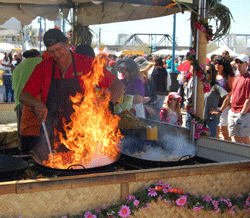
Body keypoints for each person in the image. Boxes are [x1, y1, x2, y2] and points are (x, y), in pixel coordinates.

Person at [19, 28, 125, 154]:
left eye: (59, 49)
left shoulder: (87, 63)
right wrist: (36, 103)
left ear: (67, 43)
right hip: (52, 134)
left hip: (83, 133)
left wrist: (109, 104)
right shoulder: (43, 68)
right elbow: (23, 95)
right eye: (52, 51)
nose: (56, 54)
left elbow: (118, 85)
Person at [11, 49, 42, 150]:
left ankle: (23, 152)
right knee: (40, 132)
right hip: (37, 101)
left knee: (23, 132)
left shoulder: (17, 68)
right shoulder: (41, 62)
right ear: (38, 55)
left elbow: (14, 87)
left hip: (19, 102)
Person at [228, 54, 250, 145]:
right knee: (234, 137)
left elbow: (248, 99)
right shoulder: (236, 78)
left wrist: (242, 113)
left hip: (242, 113)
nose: (238, 64)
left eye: (241, 62)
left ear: (247, 64)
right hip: (233, 111)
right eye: (237, 62)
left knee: (244, 138)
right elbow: (233, 94)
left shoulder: (248, 79)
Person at [204, 63, 230, 137]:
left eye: (208, 72)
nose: (206, 74)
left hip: (211, 119)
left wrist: (220, 111)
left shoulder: (215, 85)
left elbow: (227, 97)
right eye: (204, 72)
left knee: (210, 142)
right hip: (200, 119)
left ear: (212, 73)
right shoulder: (201, 84)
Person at [214, 56, 234, 141]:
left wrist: (224, 94)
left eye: (220, 63)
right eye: (216, 63)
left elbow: (233, 91)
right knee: (215, 130)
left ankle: (228, 148)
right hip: (214, 105)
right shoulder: (213, 76)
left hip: (225, 106)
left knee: (224, 129)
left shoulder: (228, 77)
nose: (217, 65)